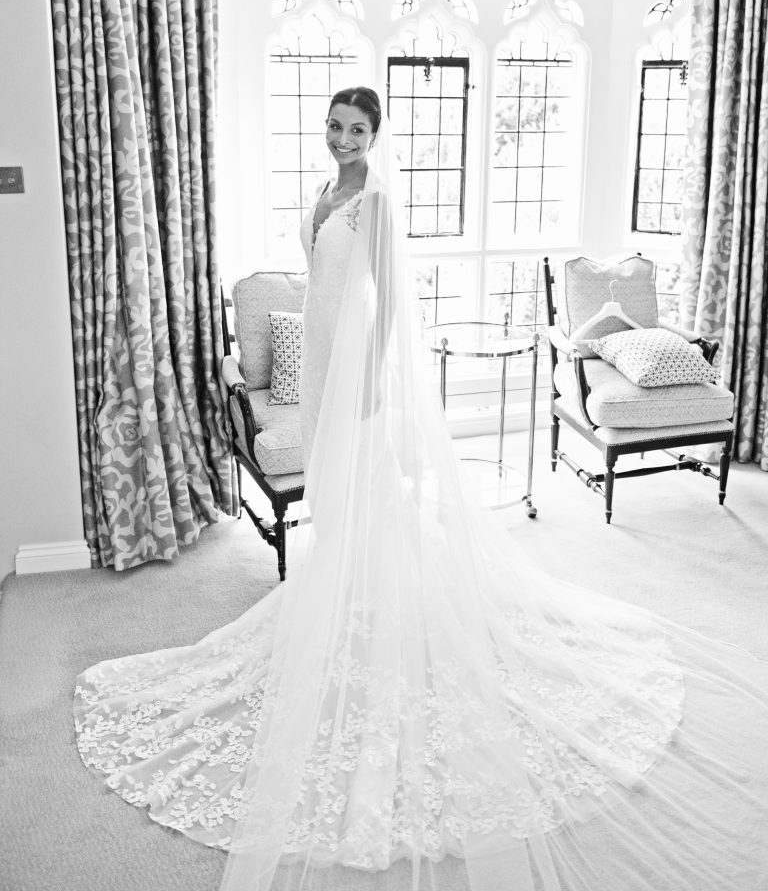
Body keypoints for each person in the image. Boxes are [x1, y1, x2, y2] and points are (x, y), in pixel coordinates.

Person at [75, 88, 768, 891]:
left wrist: (367, 390)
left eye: (357, 129)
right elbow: (321, 288)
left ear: (378, 135)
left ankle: (378, 613)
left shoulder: (375, 203)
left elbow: (390, 304)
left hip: (360, 372)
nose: (341, 138)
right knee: (342, 504)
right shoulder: (325, 190)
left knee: (370, 495)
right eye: (334, 126)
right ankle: (350, 599)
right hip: (328, 360)